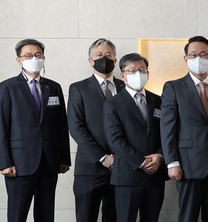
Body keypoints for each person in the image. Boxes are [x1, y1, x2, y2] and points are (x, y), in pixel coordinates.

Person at [0, 39, 71, 222]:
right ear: (19, 60)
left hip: (49, 161)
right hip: (19, 164)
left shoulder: (53, 87)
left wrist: (64, 158)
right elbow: (2, 127)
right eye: (28, 55)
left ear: (43, 58)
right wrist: (4, 162)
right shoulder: (7, 87)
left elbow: (61, 125)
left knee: (46, 214)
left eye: (38, 55)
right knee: (17, 214)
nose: (34, 59)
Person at [161, 36, 208, 222]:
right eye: (193, 55)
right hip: (187, 165)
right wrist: (172, 162)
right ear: (185, 58)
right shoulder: (173, 87)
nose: (198, 59)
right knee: (188, 217)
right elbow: (167, 128)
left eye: (204, 54)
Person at [104, 53, 167, 222]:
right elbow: (115, 140)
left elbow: (167, 133)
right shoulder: (113, 103)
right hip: (127, 175)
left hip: (155, 175)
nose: (138, 74)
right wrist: (141, 162)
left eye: (142, 70)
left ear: (148, 73)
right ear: (123, 76)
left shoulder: (159, 100)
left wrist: (160, 156)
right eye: (132, 71)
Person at [68, 38, 124, 222]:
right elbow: (76, 127)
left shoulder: (126, 87)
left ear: (115, 60)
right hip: (90, 167)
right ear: (90, 60)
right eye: (99, 55)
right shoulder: (78, 88)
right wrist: (102, 157)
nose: (104, 58)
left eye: (108, 55)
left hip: (122, 167)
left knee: (116, 217)